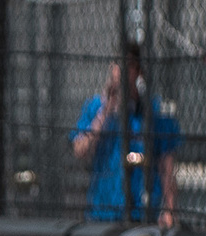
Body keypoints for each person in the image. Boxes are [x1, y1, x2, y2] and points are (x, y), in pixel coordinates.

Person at [71, 46, 180, 226]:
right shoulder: (96, 107)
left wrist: (169, 209)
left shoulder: (153, 113)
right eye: (116, 64)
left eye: (128, 65)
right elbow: (80, 150)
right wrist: (106, 110)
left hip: (142, 211)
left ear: (138, 73)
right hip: (103, 210)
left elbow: (167, 166)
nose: (120, 71)